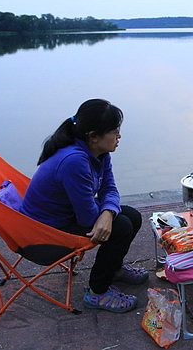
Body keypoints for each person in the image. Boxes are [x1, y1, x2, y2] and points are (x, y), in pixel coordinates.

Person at [20, 99, 147, 313]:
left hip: (68, 216)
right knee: (122, 226)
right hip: (45, 232)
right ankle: (97, 292)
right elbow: (88, 219)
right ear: (94, 136)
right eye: (115, 131)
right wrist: (107, 213)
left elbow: (110, 189)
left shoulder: (100, 153)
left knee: (132, 216)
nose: (119, 136)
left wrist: (107, 212)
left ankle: (113, 269)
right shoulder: (74, 161)